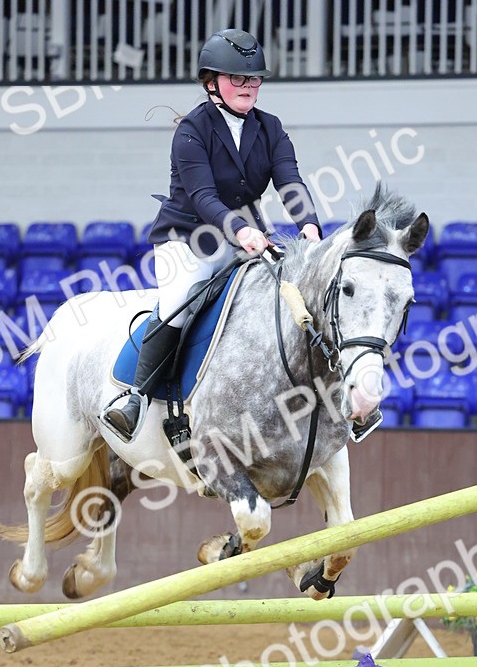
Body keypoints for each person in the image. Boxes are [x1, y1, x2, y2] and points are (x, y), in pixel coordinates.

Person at [101, 27, 322, 441]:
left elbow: (289, 181)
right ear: (211, 82)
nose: (249, 86)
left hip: (245, 238)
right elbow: (203, 197)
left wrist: (308, 223)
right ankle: (135, 398)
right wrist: (242, 232)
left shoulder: (270, 127)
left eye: (254, 78)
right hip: (188, 241)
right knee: (180, 303)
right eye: (238, 77)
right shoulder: (191, 131)